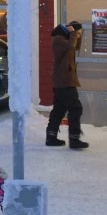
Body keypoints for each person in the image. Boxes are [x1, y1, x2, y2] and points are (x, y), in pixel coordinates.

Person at [46, 20, 88, 149]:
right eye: (77, 32)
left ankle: (51, 137)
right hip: (64, 81)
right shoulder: (58, 39)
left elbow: (75, 46)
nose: (78, 35)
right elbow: (71, 46)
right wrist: (74, 33)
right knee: (75, 108)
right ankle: (74, 139)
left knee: (59, 109)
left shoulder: (65, 39)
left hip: (64, 80)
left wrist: (75, 34)